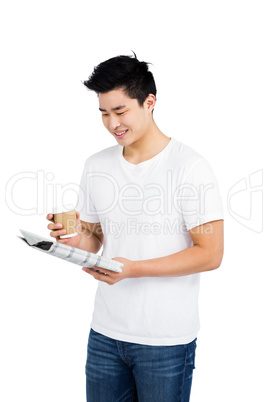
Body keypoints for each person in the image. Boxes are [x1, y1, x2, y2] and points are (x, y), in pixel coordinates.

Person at [47, 53, 224, 402]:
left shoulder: (190, 167)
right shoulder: (96, 165)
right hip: (104, 334)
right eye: (103, 113)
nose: (112, 123)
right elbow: (94, 242)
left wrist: (135, 269)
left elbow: (211, 254)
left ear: (149, 102)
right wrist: (70, 238)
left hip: (165, 341)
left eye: (120, 111)